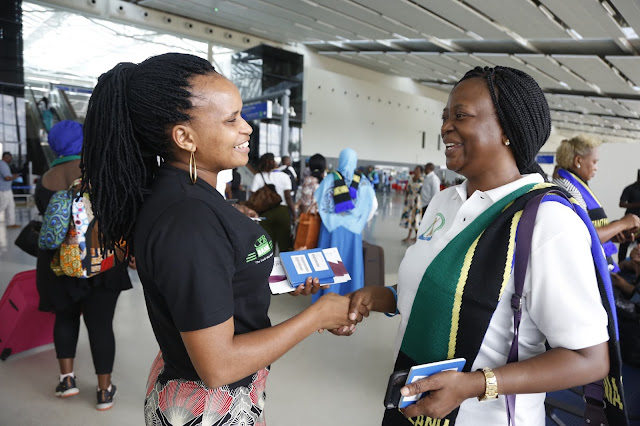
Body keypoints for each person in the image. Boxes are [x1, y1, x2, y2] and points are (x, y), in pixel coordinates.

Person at [79, 53, 353, 425]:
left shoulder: (188, 194)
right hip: (207, 410)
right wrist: (317, 315)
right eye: (231, 120)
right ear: (184, 137)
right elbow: (218, 366)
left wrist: (272, 278)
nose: (247, 128)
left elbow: (215, 273)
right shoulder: (188, 219)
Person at [338, 67, 620, 426]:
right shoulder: (444, 202)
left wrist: (475, 384)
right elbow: (444, 287)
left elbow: (589, 359)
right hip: (413, 411)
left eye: (461, 116)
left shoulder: (547, 221)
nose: (445, 127)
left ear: (507, 130)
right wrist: (380, 297)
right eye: (445, 116)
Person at [34, 120, 133, 411]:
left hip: (59, 266)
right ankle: (104, 391)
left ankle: (67, 380)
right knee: (101, 325)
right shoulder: (100, 173)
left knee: (65, 319)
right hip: (101, 261)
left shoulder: (45, 179)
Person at [553, 135, 640, 271]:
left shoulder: (576, 184)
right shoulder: (568, 189)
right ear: (578, 160)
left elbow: (590, 226)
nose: (596, 168)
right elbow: (583, 236)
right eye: (594, 162)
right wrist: (623, 223)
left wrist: (614, 231)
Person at [312, 148, 377, 303]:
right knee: (350, 261)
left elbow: (318, 200)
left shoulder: (330, 178)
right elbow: (373, 205)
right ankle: (350, 295)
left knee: (330, 262)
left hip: (331, 229)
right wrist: (359, 222)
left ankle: (327, 296)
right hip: (353, 230)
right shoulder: (363, 181)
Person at [251, 152, 295, 252]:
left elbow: (253, 196)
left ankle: (269, 262)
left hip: (265, 212)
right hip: (283, 212)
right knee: (285, 244)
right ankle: (285, 262)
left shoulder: (259, 176)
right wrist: (294, 214)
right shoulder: (284, 176)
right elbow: (288, 197)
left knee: (266, 246)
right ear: (274, 162)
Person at [618, 170, 640, 263]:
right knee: (625, 242)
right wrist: (637, 205)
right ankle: (620, 264)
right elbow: (621, 204)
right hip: (630, 221)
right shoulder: (630, 189)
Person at [400, 165, 423, 242]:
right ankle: (409, 236)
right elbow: (407, 189)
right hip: (410, 201)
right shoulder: (411, 178)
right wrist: (405, 198)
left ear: (420, 171)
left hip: (417, 201)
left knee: (416, 219)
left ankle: (416, 237)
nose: (415, 171)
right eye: (415, 169)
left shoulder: (422, 180)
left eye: (417, 170)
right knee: (410, 218)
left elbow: (423, 191)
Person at [0, 151, 21, 229]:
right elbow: (7, 178)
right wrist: (14, 177)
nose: (11, 159)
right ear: (6, 157)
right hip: (3, 190)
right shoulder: (2, 165)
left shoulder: (4, 165)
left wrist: (12, 175)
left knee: (11, 206)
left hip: (7, 189)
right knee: (2, 206)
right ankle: (10, 223)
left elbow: (7, 176)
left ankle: (11, 223)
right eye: (10, 158)